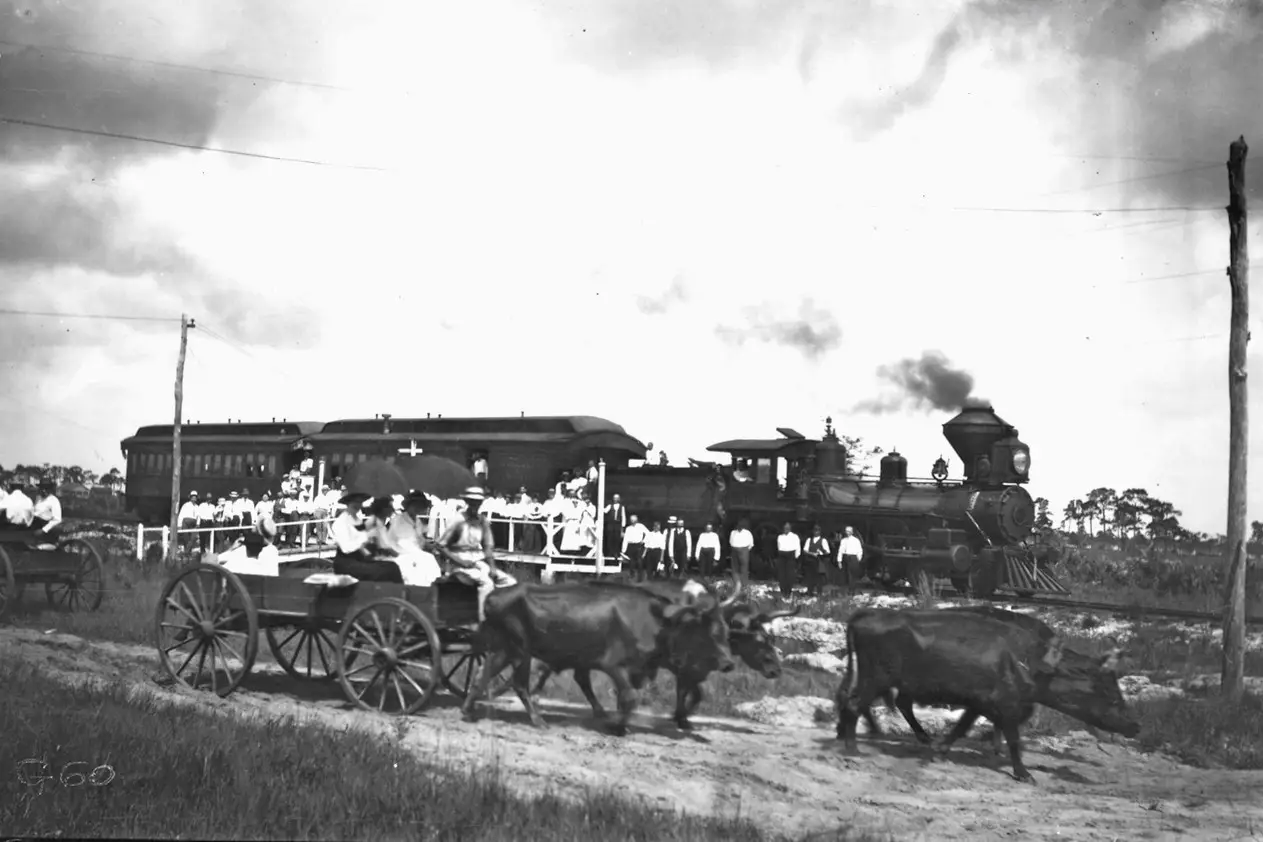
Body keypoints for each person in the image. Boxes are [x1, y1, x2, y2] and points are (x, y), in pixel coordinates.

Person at [434, 487, 516, 621]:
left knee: (510, 582)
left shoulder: (482, 521)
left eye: (477, 503)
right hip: (458, 565)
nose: (475, 506)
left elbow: (488, 547)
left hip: (477, 562)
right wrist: (460, 562)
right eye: (472, 502)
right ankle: (481, 621)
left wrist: (493, 568)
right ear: (467, 502)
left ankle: (502, 616)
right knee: (487, 584)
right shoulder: (458, 520)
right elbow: (441, 546)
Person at [331, 491, 403, 583]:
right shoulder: (341, 522)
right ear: (348, 503)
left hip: (359, 560)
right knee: (384, 572)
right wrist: (366, 536)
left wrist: (369, 547)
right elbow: (346, 548)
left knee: (392, 566)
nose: (358, 505)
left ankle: (399, 593)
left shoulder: (357, 520)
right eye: (355, 502)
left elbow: (362, 545)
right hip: (346, 564)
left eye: (360, 502)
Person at [382, 490, 443, 587]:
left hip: (414, 553)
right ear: (408, 506)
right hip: (398, 554)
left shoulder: (417, 521)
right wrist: (419, 551)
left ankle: (428, 588)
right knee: (422, 562)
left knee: (428, 559)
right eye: (414, 505)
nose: (417, 508)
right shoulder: (399, 520)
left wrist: (429, 545)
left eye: (420, 505)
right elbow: (402, 542)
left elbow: (419, 540)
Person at [802, 525, 831, 598]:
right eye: (815, 530)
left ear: (820, 532)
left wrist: (820, 552)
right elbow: (805, 550)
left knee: (819, 579)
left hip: (819, 561)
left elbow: (827, 551)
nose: (816, 532)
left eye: (817, 530)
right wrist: (812, 553)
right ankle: (810, 592)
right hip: (810, 561)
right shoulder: (809, 540)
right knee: (810, 577)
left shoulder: (823, 540)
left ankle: (819, 593)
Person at [775, 522, 801, 598]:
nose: (786, 529)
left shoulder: (795, 536)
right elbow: (778, 546)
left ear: (790, 528)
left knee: (790, 574)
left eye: (787, 528)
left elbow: (798, 547)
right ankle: (782, 591)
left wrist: (795, 556)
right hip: (782, 555)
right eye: (785, 528)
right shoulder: (780, 537)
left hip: (791, 555)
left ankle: (788, 591)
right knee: (781, 574)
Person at [836, 525, 865, 592]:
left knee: (853, 575)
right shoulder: (843, 540)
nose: (847, 532)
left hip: (854, 557)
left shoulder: (856, 540)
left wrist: (858, 559)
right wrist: (839, 561)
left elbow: (860, 550)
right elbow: (840, 551)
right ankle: (846, 589)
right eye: (846, 531)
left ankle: (852, 590)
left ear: (852, 532)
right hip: (846, 557)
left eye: (849, 531)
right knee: (846, 575)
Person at [620, 514, 648, 581]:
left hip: (638, 545)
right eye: (631, 520)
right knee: (631, 561)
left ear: (636, 520)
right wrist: (623, 549)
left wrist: (643, 541)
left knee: (639, 561)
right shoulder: (628, 528)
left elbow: (648, 533)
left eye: (634, 520)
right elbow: (625, 539)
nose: (632, 521)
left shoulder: (641, 526)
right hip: (631, 546)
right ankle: (632, 575)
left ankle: (640, 577)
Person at [728, 518, 754, 588]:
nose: (739, 527)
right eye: (737, 525)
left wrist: (745, 550)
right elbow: (730, 542)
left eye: (740, 525)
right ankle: (736, 583)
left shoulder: (747, 533)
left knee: (744, 568)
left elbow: (751, 543)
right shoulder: (733, 532)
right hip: (734, 550)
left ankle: (744, 584)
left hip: (744, 550)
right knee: (735, 568)